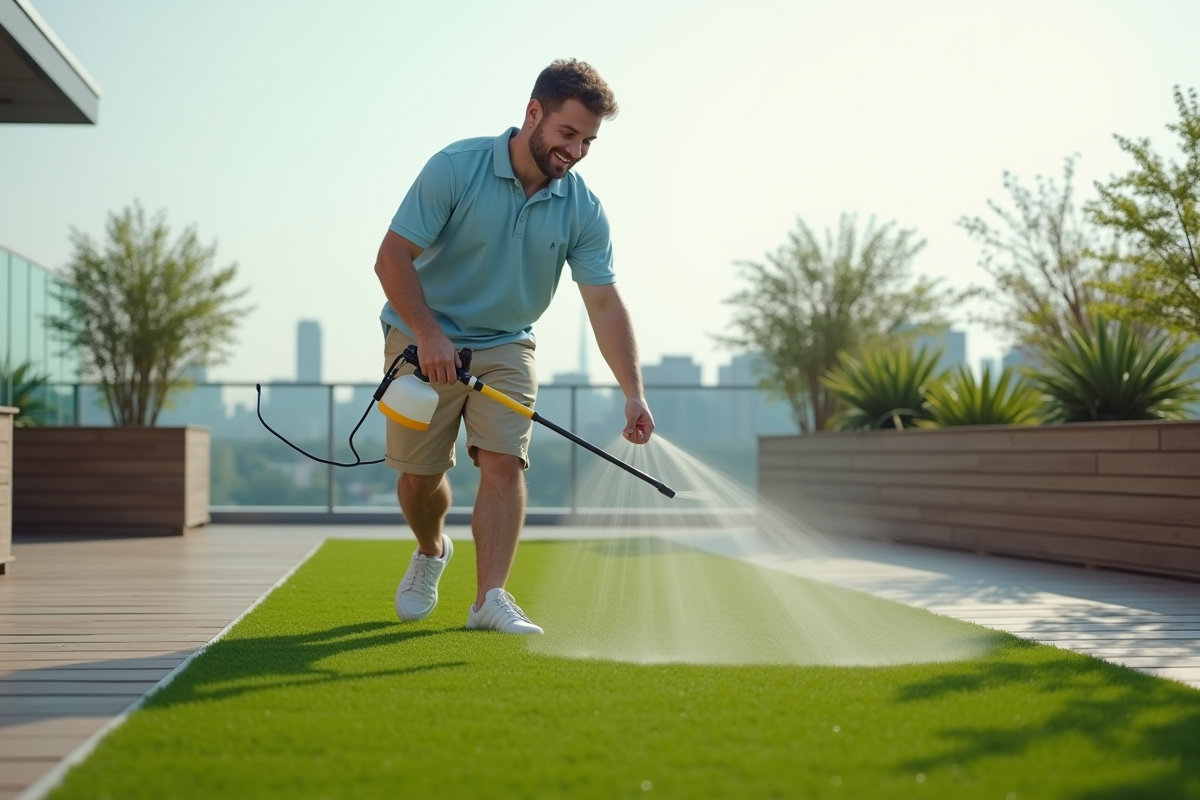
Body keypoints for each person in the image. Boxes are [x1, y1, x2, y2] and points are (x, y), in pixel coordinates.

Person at [373, 59, 655, 635]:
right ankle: (431, 549)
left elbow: (604, 304)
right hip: (421, 329)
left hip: (507, 343)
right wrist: (428, 334)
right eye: (567, 134)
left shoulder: (584, 209)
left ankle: (489, 599)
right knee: (417, 479)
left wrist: (633, 394)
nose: (575, 151)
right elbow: (390, 258)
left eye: (588, 141)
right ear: (534, 113)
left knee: (504, 461)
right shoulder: (456, 167)